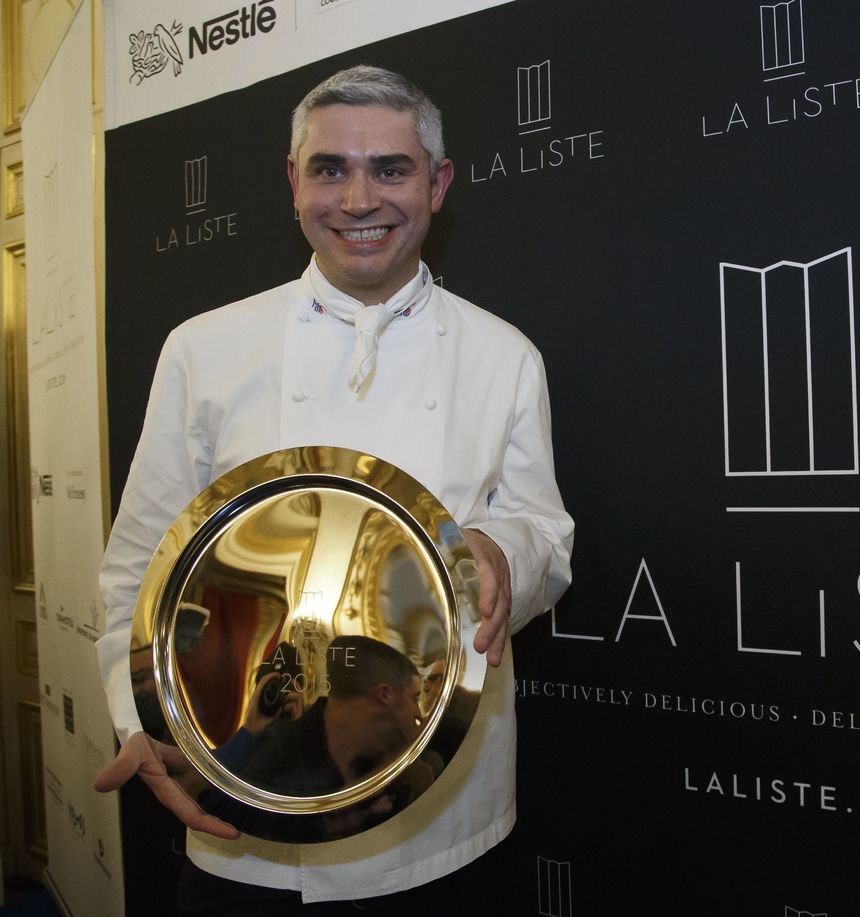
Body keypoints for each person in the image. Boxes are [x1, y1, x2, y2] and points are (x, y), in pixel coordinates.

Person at [92, 65, 573, 914]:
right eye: (329, 169)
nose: (358, 199)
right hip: (246, 820)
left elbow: (543, 530)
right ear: (292, 183)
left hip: (443, 821)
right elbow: (138, 565)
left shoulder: (505, 356)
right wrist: (143, 724)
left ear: (437, 183)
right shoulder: (203, 348)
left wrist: (507, 553)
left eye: (390, 168)